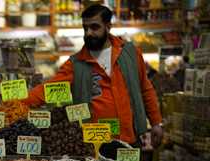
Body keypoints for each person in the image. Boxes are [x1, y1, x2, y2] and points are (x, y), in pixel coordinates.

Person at [24, 4, 163, 148]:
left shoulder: (130, 53)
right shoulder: (76, 64)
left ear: (108, 27)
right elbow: (47, 90)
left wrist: (156, 122)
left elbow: (145, 89)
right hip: (95, 143)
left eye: (95, 27)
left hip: (131, 138)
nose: (88, 33)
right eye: (85, 28)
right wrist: (16, 103)